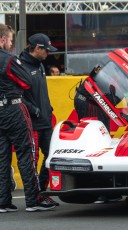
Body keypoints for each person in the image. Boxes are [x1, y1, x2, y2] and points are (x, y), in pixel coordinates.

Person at [0, 24, 55, 212]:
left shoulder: (35, 63)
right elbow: (25, 82)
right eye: (9, 40)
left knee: (3, 156)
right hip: (15, 109)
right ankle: (33, 199)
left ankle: (3, 201)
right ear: (2, 39)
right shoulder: (10, 60)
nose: (11, 43)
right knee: (27, 154)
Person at [20, 33, 59, 207]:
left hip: (45, 121)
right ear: (37, 48)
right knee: (32, 162)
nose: (48, 53)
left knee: (52, 156)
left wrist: (48, 109)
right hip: (32, 124)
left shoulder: (40, 65)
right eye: (46, 50)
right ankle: (34, 198)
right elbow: (18, 96)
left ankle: (41, 193)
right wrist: (34, 110)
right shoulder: (20, 67)